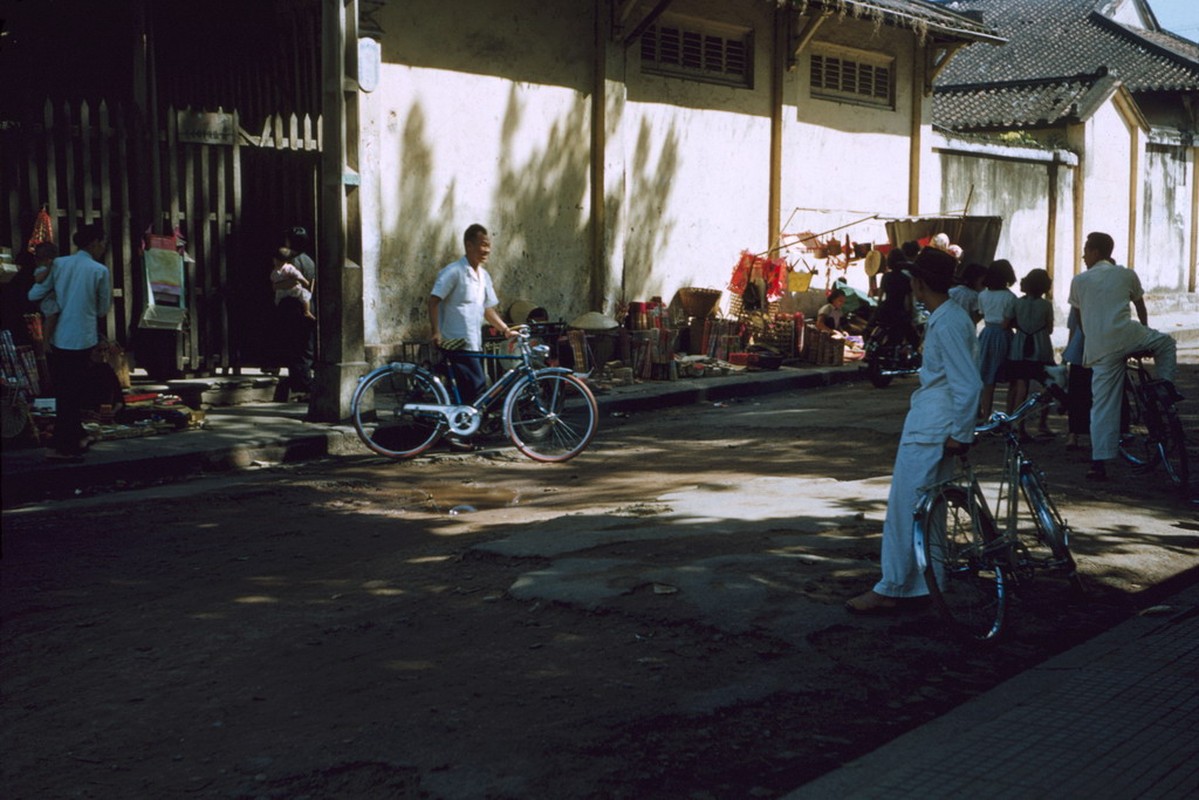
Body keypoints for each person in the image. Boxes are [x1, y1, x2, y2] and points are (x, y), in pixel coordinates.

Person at [846, 248, 982, 614]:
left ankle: (892, 586)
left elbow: (967, 383)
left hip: (933, 425)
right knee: (927, 510)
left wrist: (961, 433)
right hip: (935, 421)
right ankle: (927, 582)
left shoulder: (950, 321)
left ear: (920, 283)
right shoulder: (948, 317)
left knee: (906, 506)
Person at [1068, 231, 1179, 481]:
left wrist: (1095, 337)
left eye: (1086, 250)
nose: (1084, 255)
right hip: (1128, 335)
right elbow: (1140, 306)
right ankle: (1165, 385)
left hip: (1100, 348)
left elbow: (1079, 319)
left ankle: (1099, 463)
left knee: (1102, 406)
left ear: (1096, 251)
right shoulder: (1126, 273)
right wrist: (1145, 333)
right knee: (1166, 343)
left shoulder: (1079, 281)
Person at [27, 223, 112, 461]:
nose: (103, 247)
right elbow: (103, 309)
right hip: (83, 337)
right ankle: (65, 446)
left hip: (59, 336)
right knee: (74, 393)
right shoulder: (99, 271)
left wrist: (55, 297)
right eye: (102, 242)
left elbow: (34, 294)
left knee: (64, 391)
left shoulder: (59, 264)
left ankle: (66, 440)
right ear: (94, 242)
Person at [428, 224, 516, 450]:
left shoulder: (484, 276)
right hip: (456, 341)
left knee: (475, 392)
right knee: (476, 389)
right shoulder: (454, 272)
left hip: (474, 342)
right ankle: (457, 435)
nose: (487, 250)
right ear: (469, 245)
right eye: (483, 245)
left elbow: (488, 310)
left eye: (489, 246)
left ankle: (462, 433)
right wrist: (436, 331)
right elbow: (434, 300)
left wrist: (506, 330)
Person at [1005, 268, 1056, 441]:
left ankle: (1019, 426)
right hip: (1041, 348)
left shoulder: (1017, 303)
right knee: (1048, 385)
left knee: (1021, 388)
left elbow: (1007, 323)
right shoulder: (1046, 305)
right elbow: (1049, 329)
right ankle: (1042, 423)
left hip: (1019, 347)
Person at [275, 226, 316, 400]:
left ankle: (301, 386)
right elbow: (310, 285)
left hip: (293, 304)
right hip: (307, 302)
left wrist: (275, 286)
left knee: (294, 346)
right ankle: (305, 384)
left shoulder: (290, 262)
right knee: (305, 347)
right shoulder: (309, 261)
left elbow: (291, 284)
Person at [976, 259, 1018, 421]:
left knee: (988, 378)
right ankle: (1009, 414)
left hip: (987, 334)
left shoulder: (983, 295)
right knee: (1011, 377)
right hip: (1004, 335)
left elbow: (982, 313)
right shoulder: (1010, 297)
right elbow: (1010, 320)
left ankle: (985, 414)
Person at [872, 249, 919, 349]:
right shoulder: (906, 279)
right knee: (914, 340)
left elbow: (880, 298)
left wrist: (878, 310)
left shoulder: (885, 277)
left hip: (885, 310)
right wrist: (911, 316)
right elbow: (909, 302)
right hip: (899, 311)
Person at [1061, 306, 1092, 451]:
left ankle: (1075, 434)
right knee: (1078, 394)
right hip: (1082, 350)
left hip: (1090, 349)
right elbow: (1073, 329)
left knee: (1080, 394)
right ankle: (1073, 433)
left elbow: (1072, 330)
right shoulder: (1079, 301)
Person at [269, 247, 315, 320]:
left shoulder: (275, 271)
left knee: (277, 299)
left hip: (283, 294)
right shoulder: (291, 267)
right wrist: (305, 282)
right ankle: (307, 311)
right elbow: (299, 277)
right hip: (294, 292)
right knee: (305, 294)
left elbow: (273, 283)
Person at [32, 242, 62, 345]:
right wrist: (49, 269)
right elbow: (38, 279)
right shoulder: (42, 269)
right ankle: (45, 342)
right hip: (46, 300)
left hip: (50, 297)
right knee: (51, 316)